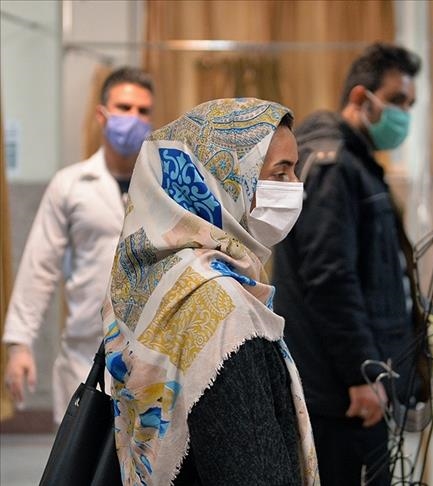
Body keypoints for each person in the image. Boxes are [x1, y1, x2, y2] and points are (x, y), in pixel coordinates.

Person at [101, 98, 318, 485]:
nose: (294, 186)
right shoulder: (222, 307)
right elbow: (252, 468)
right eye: (279, 172)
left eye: (294, 170)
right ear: (221, 181)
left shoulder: (164, 275)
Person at [270, 43, 424, 486]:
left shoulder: (354, 163)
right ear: (361, 97)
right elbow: (330, 280)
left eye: (409, 104)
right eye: (396, 100)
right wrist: (363, 373)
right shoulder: (334, 166)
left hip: (351, 387)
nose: (404, 114)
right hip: (342, 394)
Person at [2, 67, 153, 423]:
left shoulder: (163, 187)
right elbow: (40, 266)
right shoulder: (70, 185)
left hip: (150, 355)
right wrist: (19, 344)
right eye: (124, 107)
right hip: (84, 355)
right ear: (101, 114)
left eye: (143, 110)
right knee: (79, 453)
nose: (133, 118)